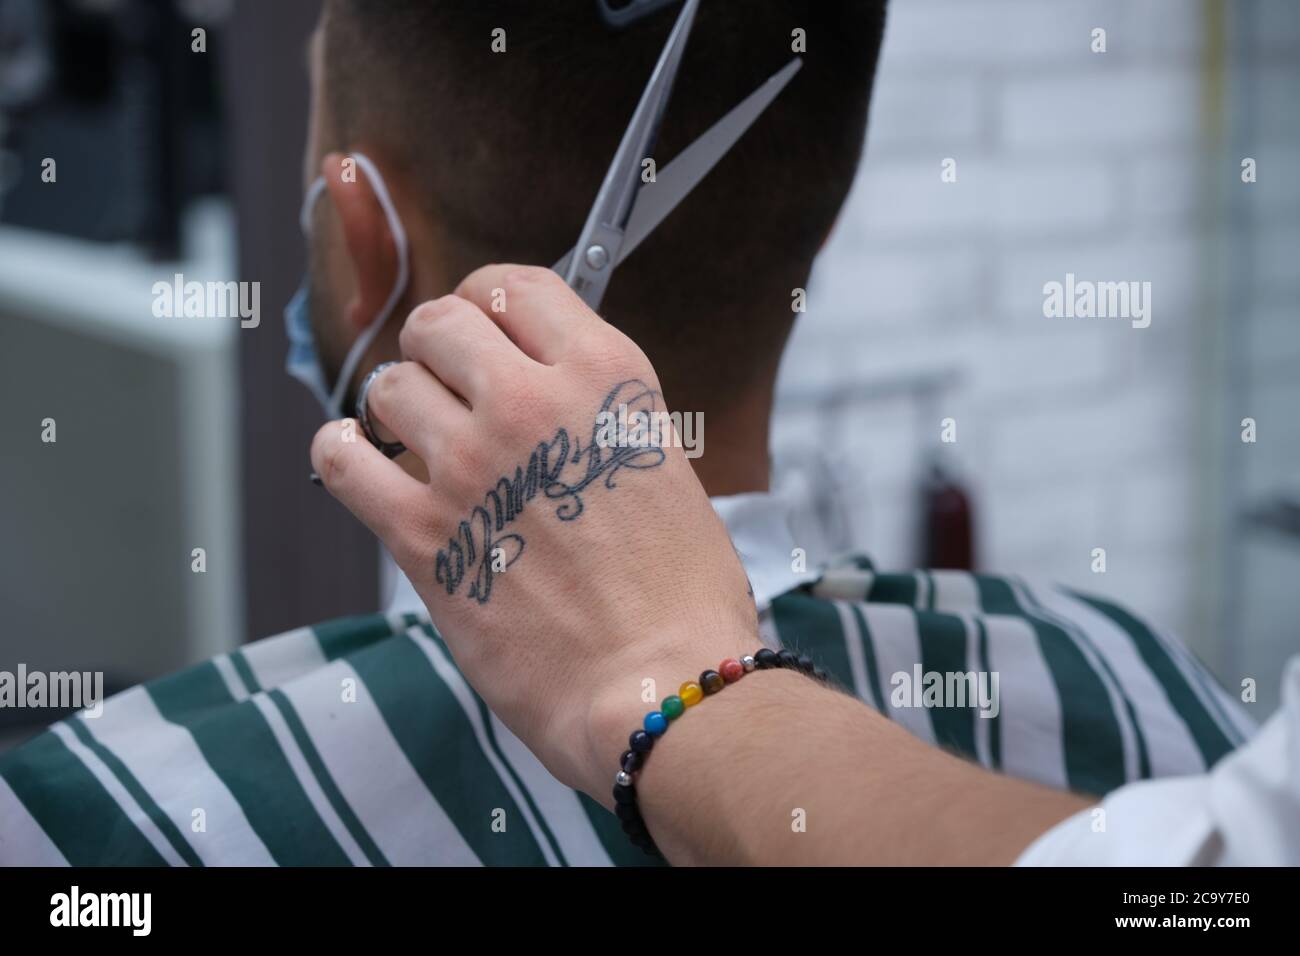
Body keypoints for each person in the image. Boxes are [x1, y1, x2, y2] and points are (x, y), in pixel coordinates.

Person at [0, 0, 1254, 866]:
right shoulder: (1143, 693)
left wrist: (668, 697)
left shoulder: (102, 816)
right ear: (817, 225)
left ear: (367, 234)